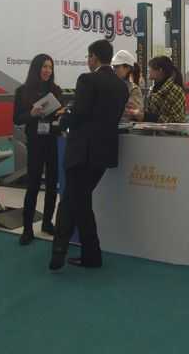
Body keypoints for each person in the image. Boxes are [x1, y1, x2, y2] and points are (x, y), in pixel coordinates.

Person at [50, 40, 128, 270]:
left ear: (93, 57)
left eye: (88, 56)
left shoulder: (87, 79)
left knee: (70, 201)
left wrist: (63, 120)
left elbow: (80, 113)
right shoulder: (121, 86)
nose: (88, 60)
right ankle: (91, 255)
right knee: (81, 202)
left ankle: (59, 251)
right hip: (104, 153)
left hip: (82, 151)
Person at [13, 54, 64, 245]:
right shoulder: (22, 91)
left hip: (52, 140)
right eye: (44, 66)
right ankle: (27, 228)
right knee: (33, 185)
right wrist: (31, 114)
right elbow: (17, 119)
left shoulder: (56, 90)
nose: (47, 70)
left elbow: (59, 116)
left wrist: (60, 114)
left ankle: (47, 222)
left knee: (52, 184)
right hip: (35, 141)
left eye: (50, 67)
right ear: (36, 68)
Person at [128, 56, 186, 123]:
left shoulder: (175, 90)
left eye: (150, 68)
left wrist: (146, 117)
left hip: (170, 130)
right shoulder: (154, 89)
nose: (148, 71)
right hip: (153, 129)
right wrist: (139, 113)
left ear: (160, 70)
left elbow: (177, 121)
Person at [111, 49, 144, 121]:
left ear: (127, 68)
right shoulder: (111, 85)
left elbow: (133, 113)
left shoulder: (133, 89)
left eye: (117, 66)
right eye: (113, 66)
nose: (114, 70)